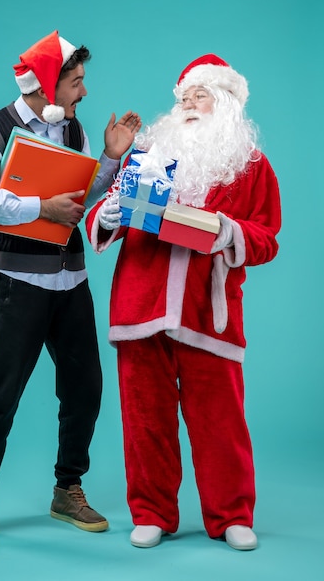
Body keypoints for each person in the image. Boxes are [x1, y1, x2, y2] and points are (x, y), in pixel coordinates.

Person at [86, 54, 281, 550]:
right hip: (140, 304)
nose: (190, 105)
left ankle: (232, 515)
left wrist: (227, 231)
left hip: (207, 312)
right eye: (184, 97)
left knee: (220, 421)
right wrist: (111, 209)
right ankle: (151, 512)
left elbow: (266, 237)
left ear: (228, 105)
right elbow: (98, 226)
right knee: (144, 419)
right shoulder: (147, 154)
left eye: (201, 96)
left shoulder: (252, 166)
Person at [0, 30, 141, 553]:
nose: (83, 92)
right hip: (19, 282)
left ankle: (67, 489)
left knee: (85, 389)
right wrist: (40, 208)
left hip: (71, 280)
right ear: (46, 85)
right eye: (77, 82)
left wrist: (109, 159)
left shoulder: (74, 127)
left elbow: (79, 198)